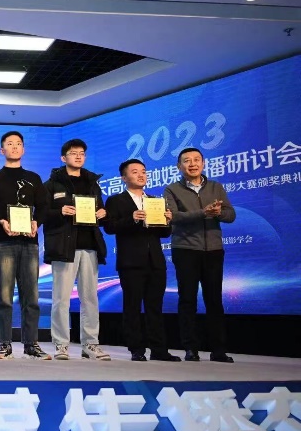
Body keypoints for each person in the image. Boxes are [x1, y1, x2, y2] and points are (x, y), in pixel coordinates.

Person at [0, 131, 50, 360]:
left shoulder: (33, 178)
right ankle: (5, 344)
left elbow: (44, 206)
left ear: (23, 149)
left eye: (19, 143)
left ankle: (31, 344)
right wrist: (1, 221)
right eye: (10, 144)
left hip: (29, 243)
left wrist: (37, 222)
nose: (15, 147)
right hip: (3, 242)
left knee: (31, 297)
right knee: (4, 297)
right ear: (2, 150)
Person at [163, 147, 236, 363]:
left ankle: (218, 350)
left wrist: (218, 213)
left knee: (214, 300)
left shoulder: (216, 187)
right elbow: (172, 216)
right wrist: (203, 213)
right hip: (185, 249)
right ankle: (190, 348)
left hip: (213, 250)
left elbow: (231, 215)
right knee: (187, 299)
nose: (192, 164)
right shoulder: (172, 189)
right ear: (179, 166)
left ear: (203, 164)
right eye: (187, 161)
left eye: (196, 160)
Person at [103, 159, 180, 362]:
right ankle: (136, 349)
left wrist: (167, 221)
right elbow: (109, 227)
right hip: (131, 261)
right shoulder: (116, 200)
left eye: (144, 172)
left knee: (155, 306)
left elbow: (164, 233)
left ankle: (159, 349)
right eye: (135, 172)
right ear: (124, 177)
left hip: (155, 261)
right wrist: (133, 218)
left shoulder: (155, 200)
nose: (141, 175)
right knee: (132, 306)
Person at [43, 139, 110, 361]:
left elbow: (100, 210)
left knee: (90, 298)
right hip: (63, 248)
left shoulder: (92, 183)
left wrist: (102, 214)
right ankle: (61, 344)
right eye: (73, 153)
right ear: (64, 158)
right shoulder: (52, 185)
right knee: (61, 299)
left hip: (90, 246)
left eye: (82, 153)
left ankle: (90, 343)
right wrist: (59, 211)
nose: (79, 156)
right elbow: (40, 214)